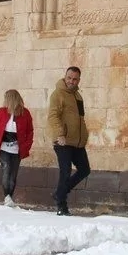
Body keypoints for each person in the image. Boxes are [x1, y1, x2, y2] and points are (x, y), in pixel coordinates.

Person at [47, 66, 89, 216]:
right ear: (65, 77)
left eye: (75, 79)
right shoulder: (57, 94)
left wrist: (84, 136)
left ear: (79, 80)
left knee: (85, 170)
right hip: (62, 141)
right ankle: (61, 205)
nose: (71, 81)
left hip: (77, 142)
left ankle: (59, 193)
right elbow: (53, 116)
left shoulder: (78, 96)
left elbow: (81, 118)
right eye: (69, 78)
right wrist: (60, 134)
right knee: (65, 171)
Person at [0, 89, 34, 207]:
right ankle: (6, 197)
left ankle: (9, 198)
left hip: (17, 148)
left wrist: (27, 146)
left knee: (13, 174)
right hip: (3, 147)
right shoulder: (1, 112)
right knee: (6, 168)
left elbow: (30, 131)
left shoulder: (25, 113)